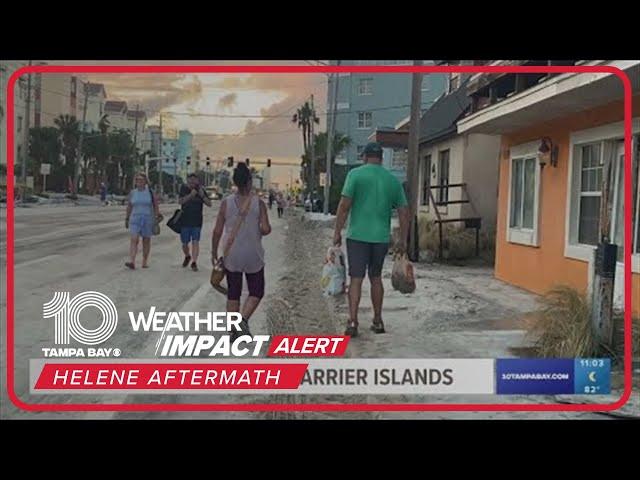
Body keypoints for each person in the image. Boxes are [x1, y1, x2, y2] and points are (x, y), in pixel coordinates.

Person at [333, 142, 410, 337]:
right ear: (382, 159)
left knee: (356, 279)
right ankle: (377, 320)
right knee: (376, 278)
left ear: (365, 157)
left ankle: (352, 322)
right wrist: (403, 238)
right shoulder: (392, 180)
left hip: (357, 236)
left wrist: (337, 232)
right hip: (380, 238)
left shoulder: (355, 175)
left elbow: (344, 206)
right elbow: (404, 211)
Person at [211, 162, 271, 339]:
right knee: (256, 291)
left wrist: (214, 253)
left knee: (233, 292)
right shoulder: (258, 203)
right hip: (253, 254)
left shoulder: (225, 203)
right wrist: (256, 229)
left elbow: (217, 231)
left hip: (232, 254)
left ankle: (233, 331)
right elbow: (266, 229)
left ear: (235, 182)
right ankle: (243, 320)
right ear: (250, 182)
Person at [125, 173, 161, 270]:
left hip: (147, 218)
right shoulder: (133, 192)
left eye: (141, 180)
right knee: (134, 239)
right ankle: (132, 261)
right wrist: (127, 218)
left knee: (146, 240)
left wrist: (157, 216)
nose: (139, 182)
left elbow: (155, 205)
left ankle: (144, 261)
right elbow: (129, 206)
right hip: (135, 219)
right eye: (137, 180)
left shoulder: (150, 192)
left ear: (145, 181)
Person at [179, 173, 212, 272]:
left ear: (197, 181)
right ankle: (187, 255)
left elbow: (209, 203)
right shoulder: (183, 189)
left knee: (195, 241)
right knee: (185, 243)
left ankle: (194, 261)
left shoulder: (201, 190)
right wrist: (190, 195)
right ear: (187, 181)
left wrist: (202, 196)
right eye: (191, 180)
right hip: (185, 220)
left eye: (195, 180)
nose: (193, 182)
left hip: (197, 220)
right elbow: (180, 201)